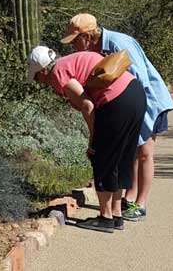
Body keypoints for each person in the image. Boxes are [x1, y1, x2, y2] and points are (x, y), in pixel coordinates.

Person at [61, 13, 173, 221]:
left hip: (150, 102)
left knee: (145, 152)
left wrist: (135, 113)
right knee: (131, 152)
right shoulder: (98, 49)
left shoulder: (117, 43)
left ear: (87, 36)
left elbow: (140, 79)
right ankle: (129, 199)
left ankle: (140, 204)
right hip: (135, 105)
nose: (74, 46)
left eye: (75, 41)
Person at [27, 45, 147, 233]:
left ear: (42, 70)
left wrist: (93, 140)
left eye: (37, 76)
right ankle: (116, 215)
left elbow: (88, 105)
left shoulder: (58, 73)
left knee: (102, 158)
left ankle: (105, 217)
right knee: (121, 158)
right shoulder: (70, 60)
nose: (39, 81)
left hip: (116, 101)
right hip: (135, 93)